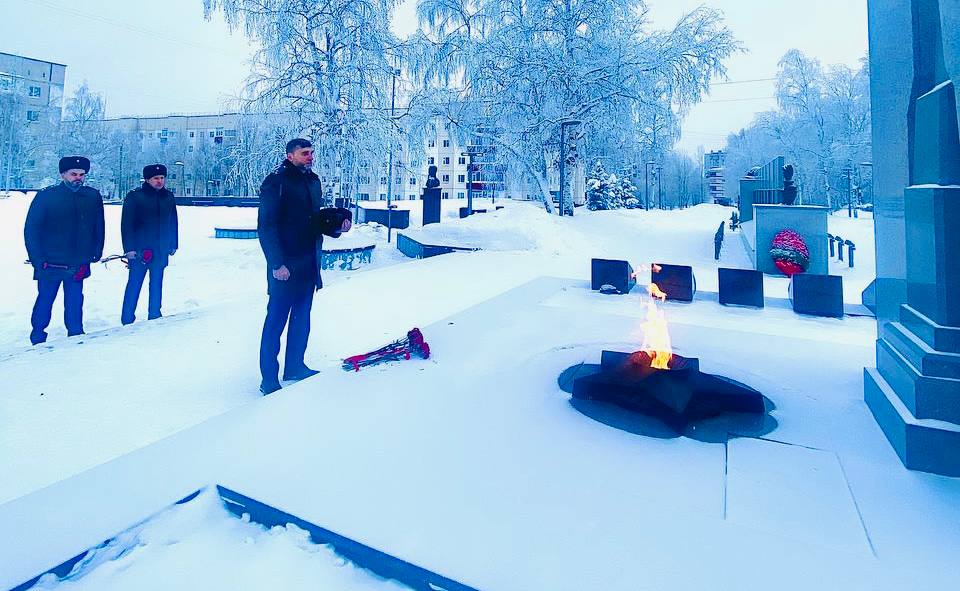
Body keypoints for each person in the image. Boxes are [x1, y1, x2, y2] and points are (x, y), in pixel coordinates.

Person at [257, 138, 353, 395]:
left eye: (311, 152)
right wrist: (277, 263)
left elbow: (312, 220)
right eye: (304, 153)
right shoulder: (276, 181)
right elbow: (266, 226)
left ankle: (295, 366)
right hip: (285, 267)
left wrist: (336, 224)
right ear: (290, 156)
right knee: (275, 322)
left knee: (301, 320)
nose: (310, 157)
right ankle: (269, 379)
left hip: (308, 263)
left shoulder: (313, 181)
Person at [23, 156, 105, 345]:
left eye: (82, 175)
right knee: (45, 300)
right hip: (50, 261)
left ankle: (75, 334)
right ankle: (38, 335)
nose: (78, 178)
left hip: (78, 261)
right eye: (73, 174)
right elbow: (32, 229)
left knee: (75, 300)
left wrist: (96, 250)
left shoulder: (92, 196)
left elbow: (98, 226)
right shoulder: (46, 196)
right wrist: (37, 259)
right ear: (62, 175)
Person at [120, 164, 179, 325]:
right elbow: (127, 224)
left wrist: (173, 243)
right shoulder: (135, 197)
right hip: (140, 251)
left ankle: (155, 313)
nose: (160, 181)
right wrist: (129, 249)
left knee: (157, 283)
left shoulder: (168, 196)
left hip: (161, 249)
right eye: (156, 178)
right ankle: (127, 317)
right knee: (135, 283)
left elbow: (173, 221)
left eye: (162, 178)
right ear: (147, 179)